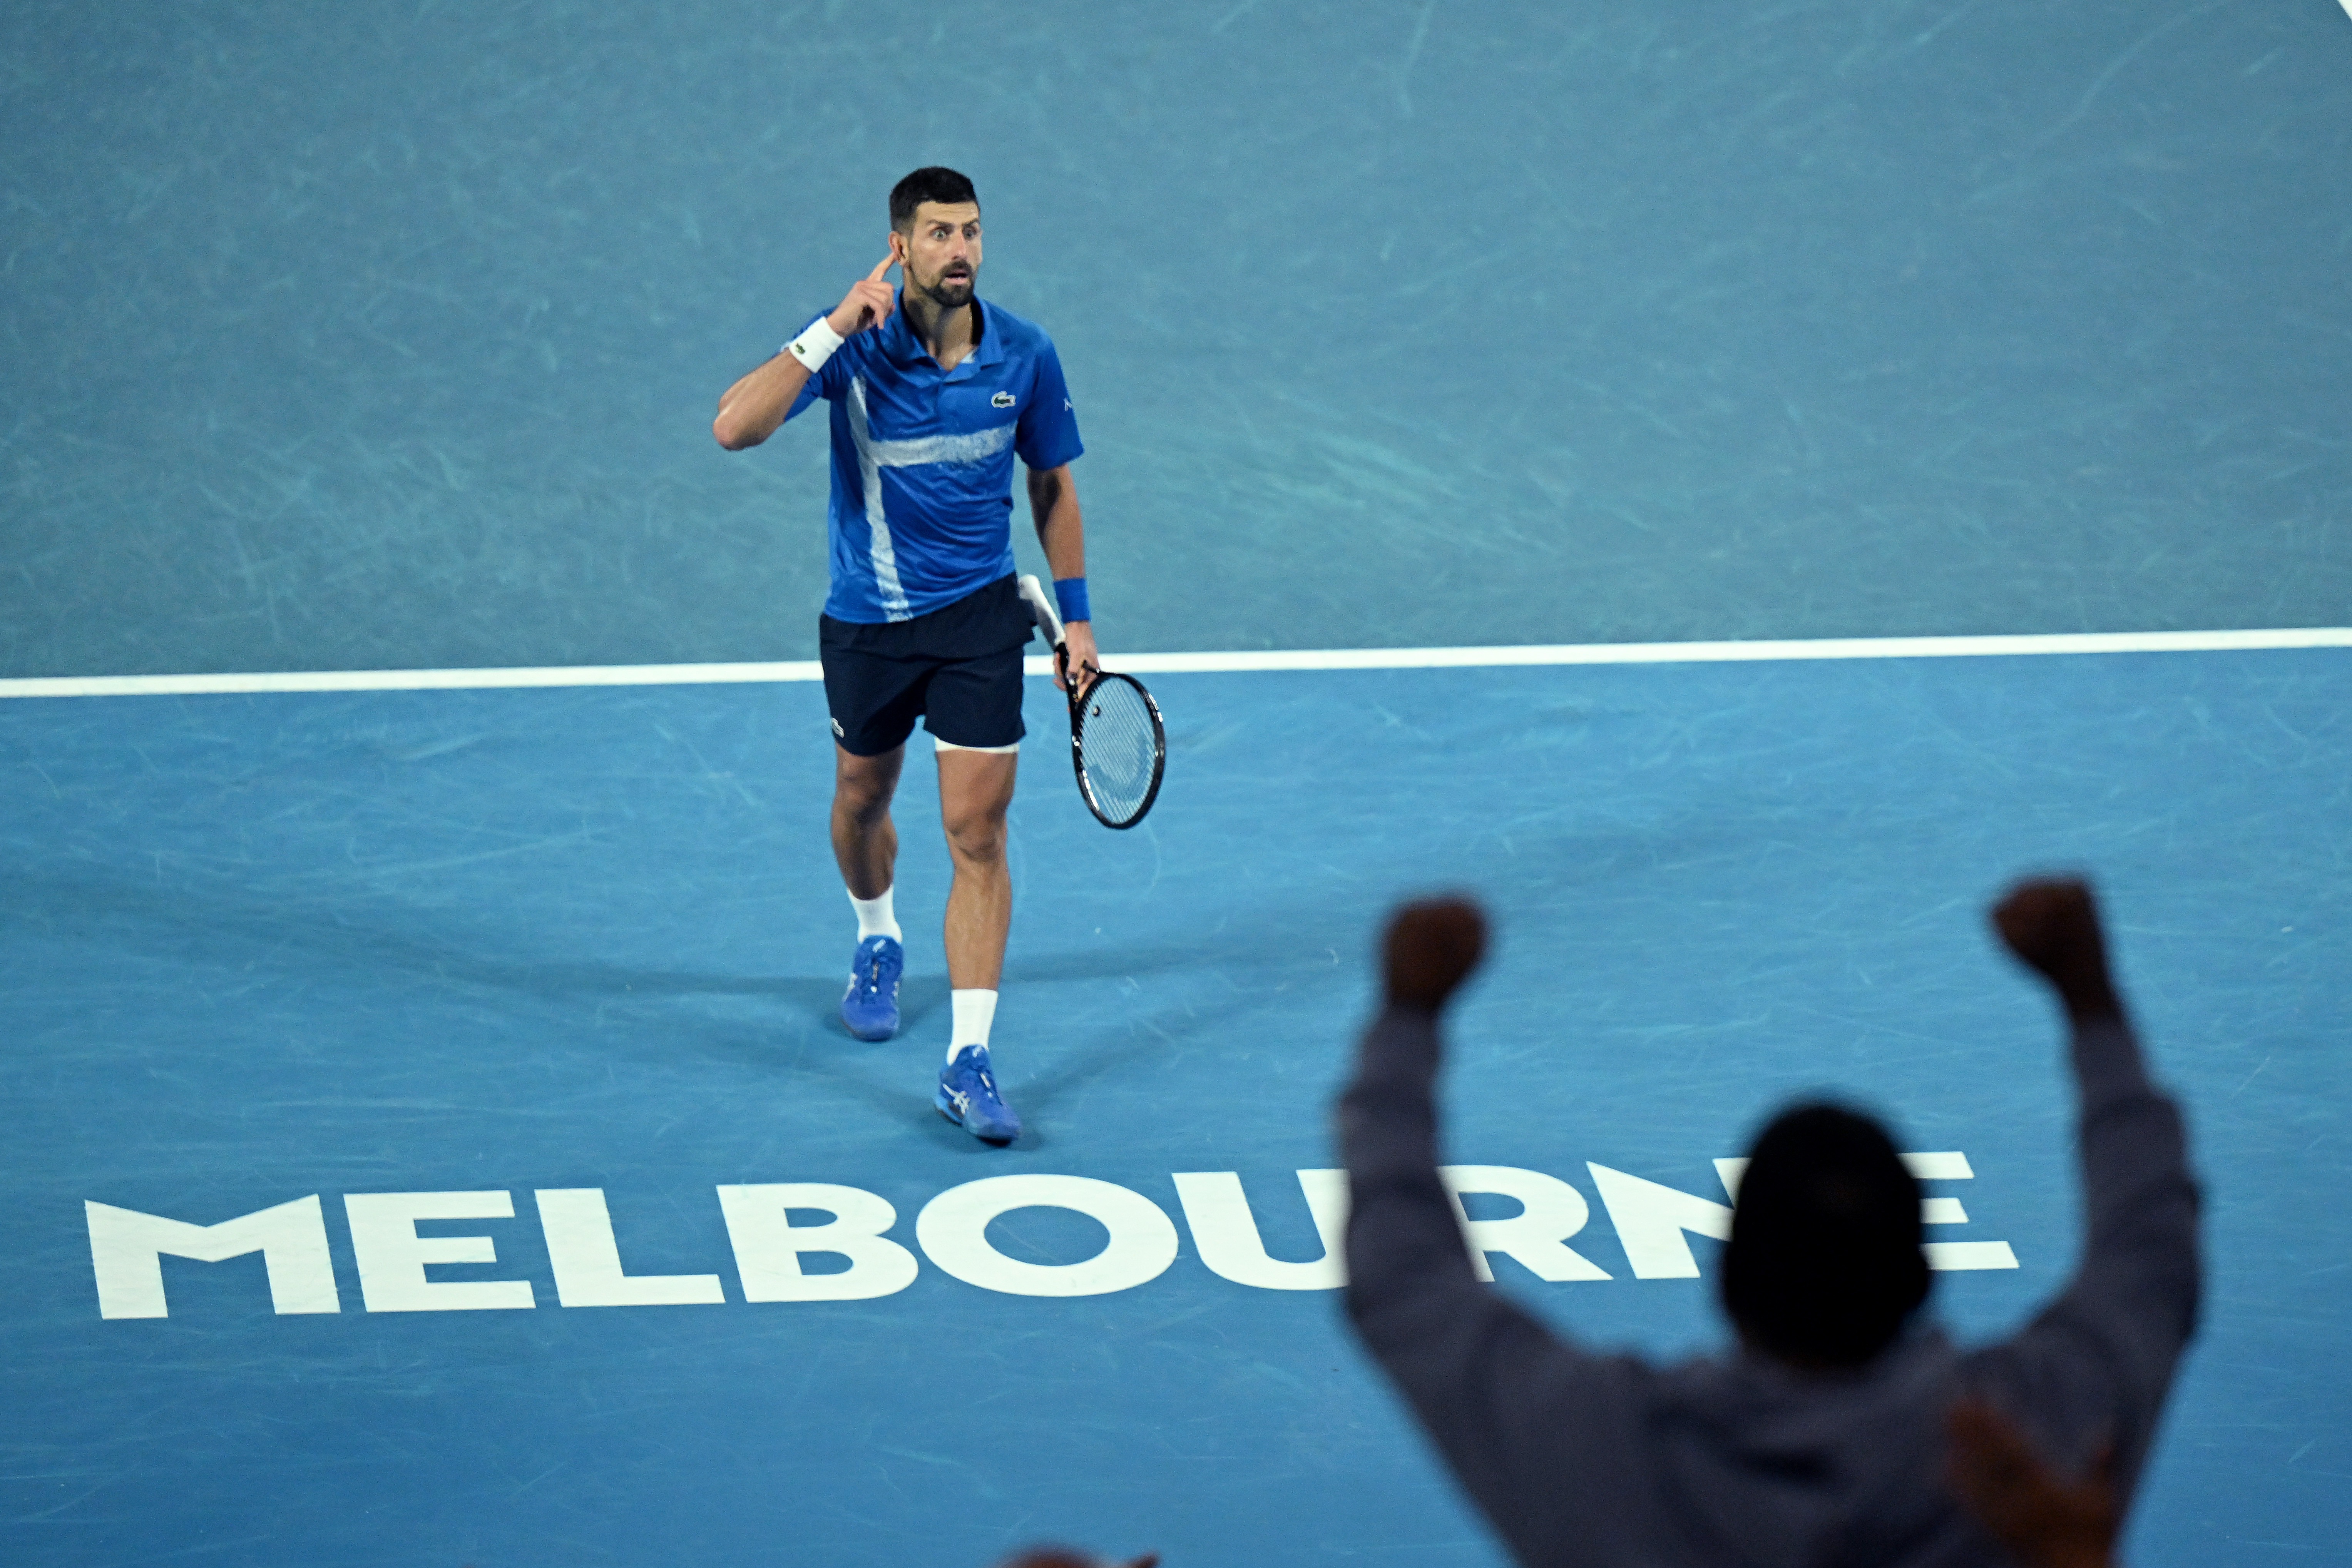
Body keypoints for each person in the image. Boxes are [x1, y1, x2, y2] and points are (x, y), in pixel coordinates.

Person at [1337, 879, 2200, 1567]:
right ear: (1922, 1278)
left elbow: (1400, 1274)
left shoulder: (1600, 1453)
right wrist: (2092, 1004)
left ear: (1723, 1276)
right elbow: (2150, 1250)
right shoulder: (2038, 1439)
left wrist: (1407, 1018)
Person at [713, 167, 1096, 1143]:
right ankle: (876, 936)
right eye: (938, 233)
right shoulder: (853, 344)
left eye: (970, 231)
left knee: (978, 833)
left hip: (978, 620)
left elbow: (1050, 488)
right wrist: (831, 328)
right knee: (860, 803)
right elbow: (734, 428)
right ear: (901, 244)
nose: (959, 250)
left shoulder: (1026, 353)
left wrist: (1078, 619)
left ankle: (968, 1058)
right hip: (869, 623)